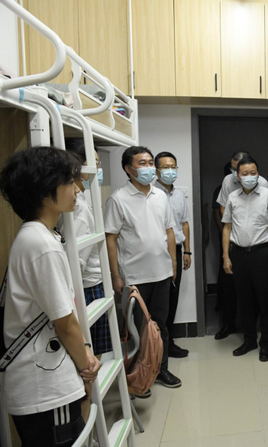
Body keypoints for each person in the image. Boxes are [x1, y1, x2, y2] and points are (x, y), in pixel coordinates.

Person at [0, 147, 100, 447]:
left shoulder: (39, 236)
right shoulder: (41, 244)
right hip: (45, 387)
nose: (77, 189)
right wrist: (86, 364)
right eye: (69, 182)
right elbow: (64, 323)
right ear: (44, 192)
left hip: (42, 381)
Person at [104, 146, 181, 388]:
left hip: (162, 272)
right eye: (142, 163)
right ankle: (138, 376)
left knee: (160, 326)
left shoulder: (160, 196)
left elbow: (169, 231)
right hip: (134, 277)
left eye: (150, 163)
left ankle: (161, 369)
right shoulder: (118, 199)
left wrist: (173, 262)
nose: (149, 167)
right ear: (129, 169)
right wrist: (116, 275)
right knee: (136, 329)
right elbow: (110, 239)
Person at [222, 156, 268, 362]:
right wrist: (226, 256)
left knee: (264, 300)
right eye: (245, 173)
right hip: (238, 254)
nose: (249, 176)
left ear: (258, 174)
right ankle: (249, 340)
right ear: (238, 176)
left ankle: (265, 342)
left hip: (260, 254)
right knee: (244, 300)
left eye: (253, 173)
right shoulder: (232, 197)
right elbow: (227, 227)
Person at [61, 141, 112, 358]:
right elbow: (76, 261)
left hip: (92, 280)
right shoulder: (78, 207)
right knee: (90, 349)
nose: (97, 169)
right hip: (87, 285)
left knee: (95, 348)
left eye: (98, 164)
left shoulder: (82, 198)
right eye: (93, 163)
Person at [155, 151, 190, 359]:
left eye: (173, 167)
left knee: (172, 299)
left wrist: (187, 250)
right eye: (165, 167)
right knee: (159, 303)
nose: (170, 171)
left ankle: (169, 344)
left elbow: (184, 223)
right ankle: (157, 349)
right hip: (159, 252)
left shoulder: (178, 195)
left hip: (177, 249)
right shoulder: (152, 194)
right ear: (157, 171)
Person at [212, 163, 238, 338]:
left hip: (248, 246)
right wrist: (224, 236)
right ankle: (227, 323)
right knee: (227, 282)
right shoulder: (222, 190)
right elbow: (218, 214)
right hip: (228, 240)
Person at [216, 151, 268, 217]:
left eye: (238, 169)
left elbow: (265, 211)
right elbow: (223, 206)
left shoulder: (262, 183)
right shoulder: (227, 180)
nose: (235, 172)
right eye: (233, 169)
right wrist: (229, 222)